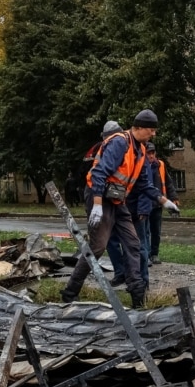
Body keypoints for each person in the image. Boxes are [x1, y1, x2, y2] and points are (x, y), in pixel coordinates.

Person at [62, 110, 180, 309]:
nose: (153, 134)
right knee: (98, 247)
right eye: (151, 130)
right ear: (139, 127)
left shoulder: (141, 152)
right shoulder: (119, 143)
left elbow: (144, 184)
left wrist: (164, 201)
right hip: (99, 197)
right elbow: (99, 173)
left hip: (117, 200)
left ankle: (138, 299)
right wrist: (97, 206)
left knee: (133, 244)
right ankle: (69, 293)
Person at [84, 120, 129, 287]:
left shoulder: (117, 144)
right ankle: (121, 273)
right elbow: (98, 174)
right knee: (108, 241)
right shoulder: (114, 145)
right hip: (107, 197)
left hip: (114, 198)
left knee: (115, 241)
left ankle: (125, 275)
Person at [147, 144, 177, 265]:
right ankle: (146, 255)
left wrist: (173, 197)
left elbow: (168, 182)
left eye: (153, 153)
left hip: (158, 204)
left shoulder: (160, 165)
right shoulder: (141, 166)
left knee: (156, 231)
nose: (151, 156)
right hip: (145, 204)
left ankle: (154, 254)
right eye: (149, 153)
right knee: (145, 232)